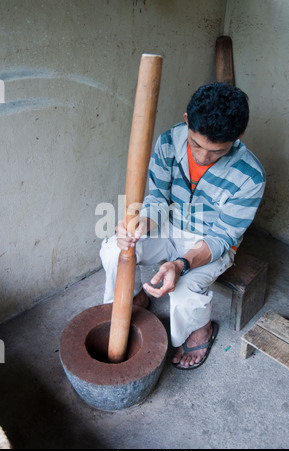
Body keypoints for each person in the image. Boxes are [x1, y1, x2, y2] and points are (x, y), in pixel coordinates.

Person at [100, 82, 266, 370]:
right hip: (168, 224)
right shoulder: (168, 141)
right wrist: (141, 224)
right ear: (187, 120)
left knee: (186, 290)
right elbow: (157, 199)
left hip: (207, 243)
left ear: (238, 137)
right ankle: (134, 298)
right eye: (196, 144)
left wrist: (180, 264)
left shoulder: (250, 176)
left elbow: (222, 237)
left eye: (216, 152)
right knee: (114, 249)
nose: (202, 157)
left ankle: (200, 329)